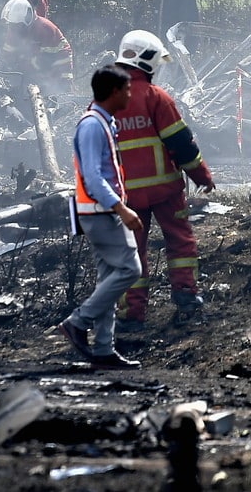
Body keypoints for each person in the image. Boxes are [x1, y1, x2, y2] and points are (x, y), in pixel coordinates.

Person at [110, 31, 216, 332]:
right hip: (165, 190)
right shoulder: (157, 97)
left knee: (131, 251)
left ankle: (132, 314)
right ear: (146, 60)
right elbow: (180, 142)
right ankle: (185, 295)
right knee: (179, 241)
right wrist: (201, 175)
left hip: (126, 196)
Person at [58, 65, 143, 370]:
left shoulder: (102, 123)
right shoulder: (93, 125)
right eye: (127, 90)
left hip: (99, 212)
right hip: (102, 213)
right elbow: (93, 177)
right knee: (131, 269)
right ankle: (77, 322)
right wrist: (121, 208)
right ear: (114, 92)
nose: (130, 95)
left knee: (108, 278)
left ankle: (104, 349)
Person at [0, 0, 74, 92]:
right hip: (37, 68)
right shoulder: (14, 28)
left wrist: (24, 67)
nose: (14, 28)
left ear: (27, 19)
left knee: (56, 97)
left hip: (59, 68)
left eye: (17, 25)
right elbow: (8, 52)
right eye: (12, 25)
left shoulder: (45, 29)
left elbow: (45, 61)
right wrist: (2, 67)